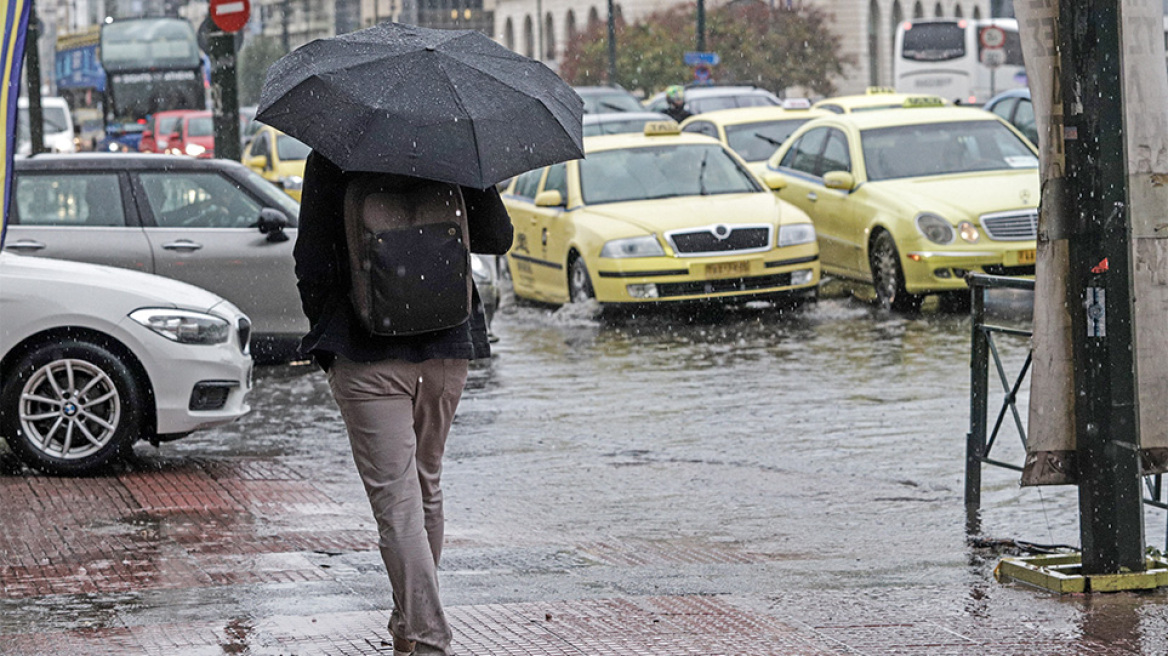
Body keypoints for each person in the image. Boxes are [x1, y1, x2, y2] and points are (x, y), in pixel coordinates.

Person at [294, 151, 513, 656]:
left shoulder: (332, 154)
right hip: (447, 346)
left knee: (398, 504)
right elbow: (497, 239)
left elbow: (311, 260)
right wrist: (479, 180)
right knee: (424, 486)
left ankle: (430, 638)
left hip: (365, 351)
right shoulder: (452, 146)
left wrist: (329, 331)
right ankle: (410, 624)